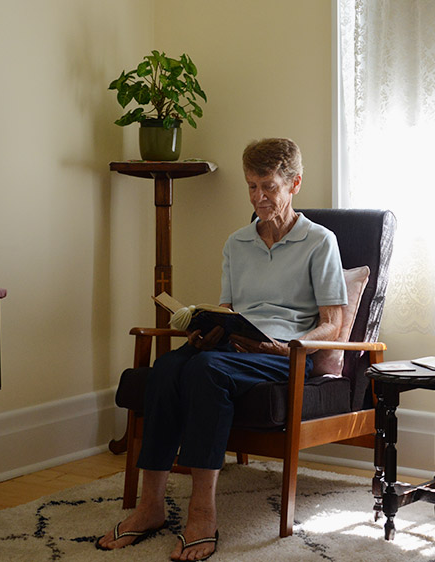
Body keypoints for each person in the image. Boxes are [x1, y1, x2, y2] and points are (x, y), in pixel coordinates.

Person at [97, 138, 348, 561]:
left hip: (281, 357)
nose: (259, 197)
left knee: (205, 371)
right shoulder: (237, 243)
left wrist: (284, 347)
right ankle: (150, 506)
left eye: (268, 186)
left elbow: (334, 323)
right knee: (168, 367)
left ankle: (202, 513)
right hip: (233, 347)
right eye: (252, 187)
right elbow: (228, 309)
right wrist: (207, 328)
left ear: (295, 184)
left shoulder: (320, 242)